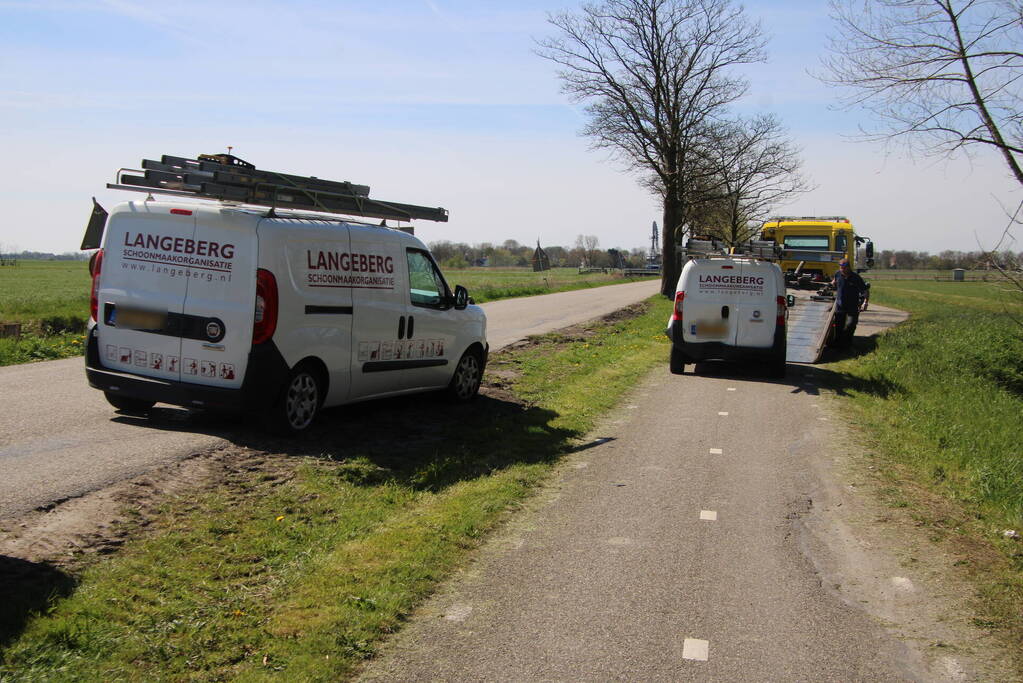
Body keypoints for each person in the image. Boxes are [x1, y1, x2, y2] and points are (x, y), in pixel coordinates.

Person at [832, 259, 868, 348]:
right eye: (841, 268)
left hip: (853, 306)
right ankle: (838, 347)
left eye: (844, 268)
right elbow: (834, 282)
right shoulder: (837, 274)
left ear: (849, 267)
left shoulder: (856, 278)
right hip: (840, 306)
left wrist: (865, 303)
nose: (842, 270)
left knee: (850, 325)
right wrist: (831, 284)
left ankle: (848, 345)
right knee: (838, 328)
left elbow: (865, 291)